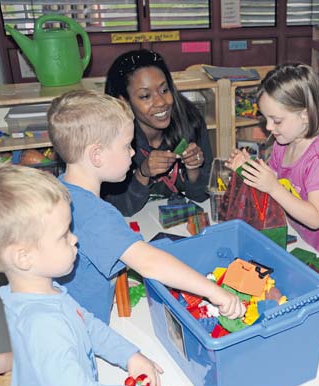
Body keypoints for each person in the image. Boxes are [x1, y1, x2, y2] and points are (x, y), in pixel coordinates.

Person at [0, 165, 160, 386]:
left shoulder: (39, 290)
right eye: (63, 235)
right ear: (24, 256)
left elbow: (84, 323)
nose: (74, 239)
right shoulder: (43, 324)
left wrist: (128, 354)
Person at [48, 90, 244, 324]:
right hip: (79, 329)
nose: (132, 153)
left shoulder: (59, 190)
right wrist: (215, 292)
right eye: (126, 146)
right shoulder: (95, 214)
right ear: (97, 155)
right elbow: (150, 262)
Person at [225, 64, 319, 272]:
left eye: (276, 120)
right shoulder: (282, 145)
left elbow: (316, 218)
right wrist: (248, 169)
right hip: (306, 241)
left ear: (305, 116)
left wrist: (273, 187)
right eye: (266, 119)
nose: (269, 127)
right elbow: (274, 185)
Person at [103, 49, 212, 217]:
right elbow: (120, 208)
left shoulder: (190, 121)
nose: (161, 102)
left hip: (180, 224)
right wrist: (142, 173)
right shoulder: (112, 137)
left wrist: (193, 169)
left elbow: (202, 196)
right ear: (123, 101)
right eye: (145, 96)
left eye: (164, 90)